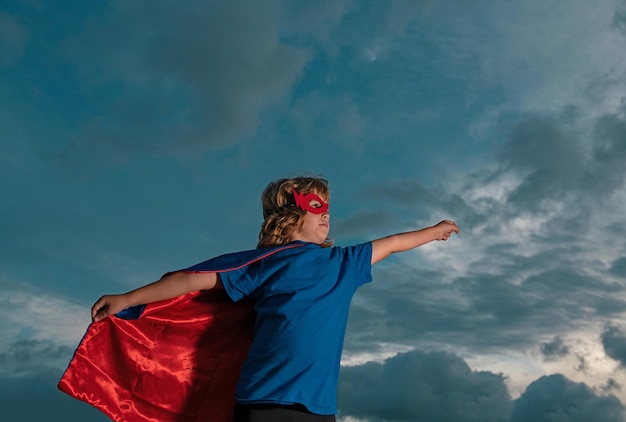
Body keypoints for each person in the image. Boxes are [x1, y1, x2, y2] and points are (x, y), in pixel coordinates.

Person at [87, 176, 459, 422]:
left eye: (328, 207)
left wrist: (435, 231)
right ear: (291, 214)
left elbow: (393, 244)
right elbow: (191, 280)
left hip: (318, 406)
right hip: (262, 401)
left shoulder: (344, 262)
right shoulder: (265, 264)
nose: (326, 213)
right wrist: (127, 298)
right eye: (316, 207)